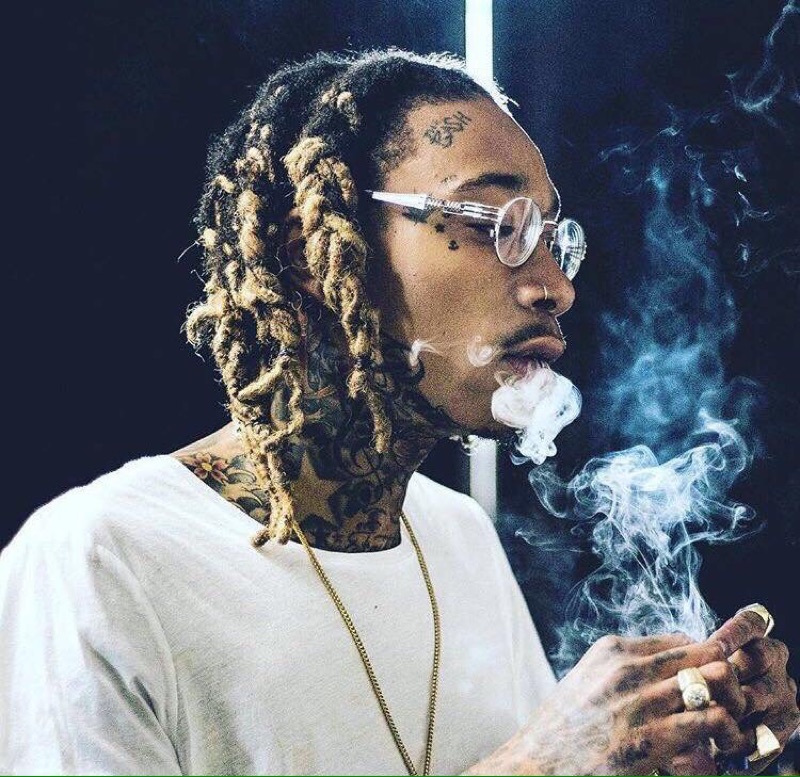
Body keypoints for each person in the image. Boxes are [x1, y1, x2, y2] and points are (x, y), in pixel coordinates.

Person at [0, 49, 796, 776]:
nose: (555, 286)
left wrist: (666, 752)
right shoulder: (102, 561)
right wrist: (542, 764)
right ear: (312, 256)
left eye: (554, 237)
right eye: (496, 224)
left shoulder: (460, 539)